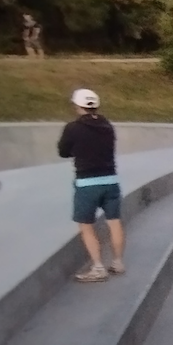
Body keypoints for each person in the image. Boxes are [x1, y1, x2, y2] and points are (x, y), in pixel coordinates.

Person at [58, 88, 125, 283]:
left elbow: (63, 151)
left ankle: (98, 267)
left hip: (87, 183)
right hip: (111, 181)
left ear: (78, 106)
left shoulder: (72, 128)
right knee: (115, 222)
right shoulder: (108, 126)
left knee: (86, 226)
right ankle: (118, 262)